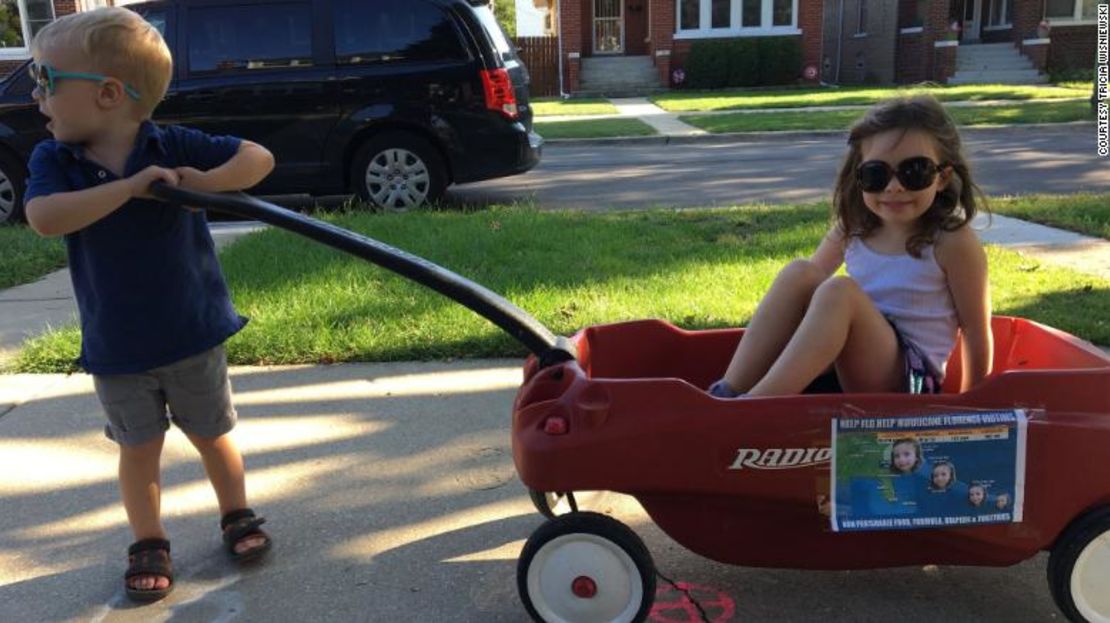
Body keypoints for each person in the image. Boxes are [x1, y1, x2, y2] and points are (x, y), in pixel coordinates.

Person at [23, 8, 276, 602]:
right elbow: (43, 217)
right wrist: (132, 188)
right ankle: (149, 539)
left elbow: (257, 159)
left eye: (47, 82)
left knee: (214, 433)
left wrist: (201, 183)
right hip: (119, 344)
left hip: (191, 329)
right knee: (138, 448)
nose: (39, 99)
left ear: (109, 94)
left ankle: (236, 513)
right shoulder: (54, 161)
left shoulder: (171, 143)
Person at [708, 95, 993, 398]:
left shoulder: (951, 241)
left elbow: (976, 331)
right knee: (800, 272)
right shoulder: (854, 228)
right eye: (876, 174)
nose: (893, 187)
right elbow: (806, 292)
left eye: (914, 172)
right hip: (848, 363)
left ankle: (752, 407)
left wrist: (972, 409)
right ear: (858, 177)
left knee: (840, 292)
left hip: (910, 384)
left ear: (942, 177)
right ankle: (726, 392)